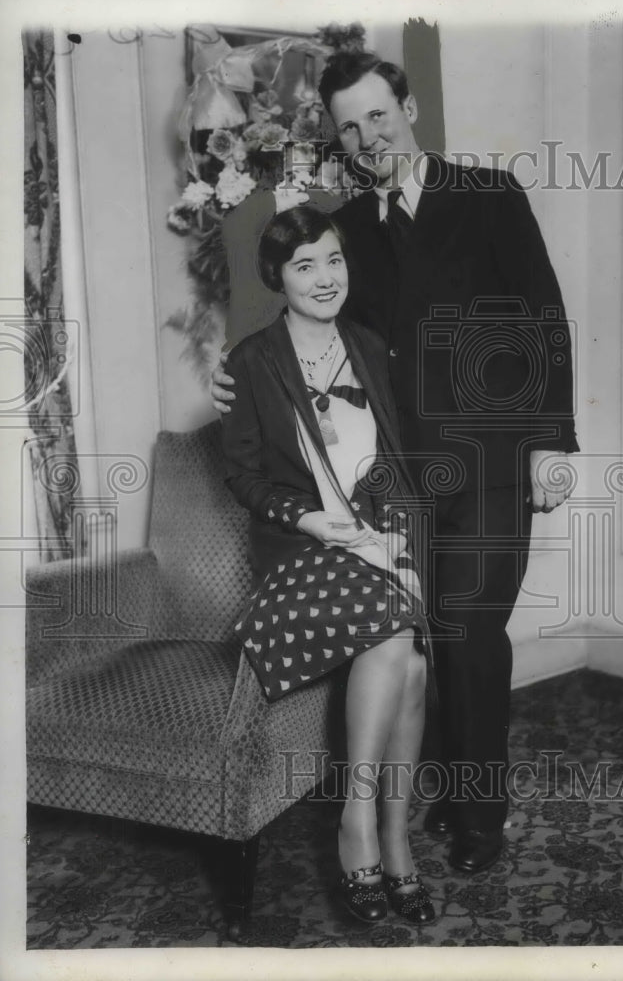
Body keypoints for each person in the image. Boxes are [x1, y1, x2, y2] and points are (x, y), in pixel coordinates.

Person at [214, 51, 579, 876]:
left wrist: (554, 442)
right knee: (424, 636)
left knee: (472, 631)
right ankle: (441, 795)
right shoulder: (347, 230)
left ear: (407, 107)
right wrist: (230, 372)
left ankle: (479, 815)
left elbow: (544, 319)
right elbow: (314, 325)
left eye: (378, 114)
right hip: (401, 479)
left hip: (492, 460)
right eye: (348, 124)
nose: (366, 134)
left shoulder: (488, 197)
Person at [221, 205, 435, 925]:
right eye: (304, 264)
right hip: (301, 555)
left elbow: (396, 459)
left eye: (334, 259)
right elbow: (244, 478)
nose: (324, 277)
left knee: (410, 660)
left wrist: (394, 536)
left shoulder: (370, 346)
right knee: (395, 634)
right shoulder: (251, 361)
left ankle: (388, 837)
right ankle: (362, 822)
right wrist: (310, 518)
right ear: (277, 278)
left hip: (377, 541)